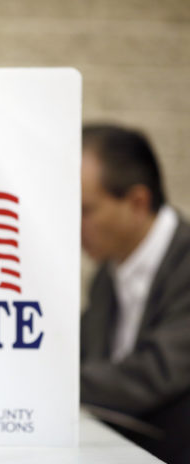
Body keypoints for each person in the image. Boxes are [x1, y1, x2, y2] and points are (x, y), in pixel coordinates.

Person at [80, 123, 190, 463]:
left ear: (138, 202)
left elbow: (159, 372)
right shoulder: (105, 277)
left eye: (86, 211)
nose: (73, 225)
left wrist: (51, 382)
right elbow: (92, 360)